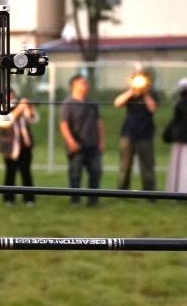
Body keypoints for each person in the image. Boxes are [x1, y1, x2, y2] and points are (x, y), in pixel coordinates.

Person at [59, 74, 103, 205]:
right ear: (74, 86)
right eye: (83, 83)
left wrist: (101, 141)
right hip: (77, 146)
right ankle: (75, 200)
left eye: (86, 83)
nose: (86, 85)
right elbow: (64, 125)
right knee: (75, 173)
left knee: (96, 172)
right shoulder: (68, 104)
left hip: (92, 145)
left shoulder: (92, 104)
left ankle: (93, 200)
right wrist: (71, 141)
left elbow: (99, 123)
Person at [113, 69, 158, 192]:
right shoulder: (130, 93)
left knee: (147, 165)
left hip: (145, 134)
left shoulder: (151, 93)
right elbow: (117, 103)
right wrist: (132, 91)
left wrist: (145, 93)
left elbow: (153, 108)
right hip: (128, 133)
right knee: (125, 165)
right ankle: (122, 191)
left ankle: (150, 192)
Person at [0, 91, 37, 204]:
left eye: (12, 96)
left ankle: (29, 199)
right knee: (10, 173)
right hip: (10, 148)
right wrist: (20, 108)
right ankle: (9, 198)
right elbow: (5, 121)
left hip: (25, 147)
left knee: (26, 173)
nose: (11, 98)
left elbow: (33, 119)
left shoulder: (20, 107)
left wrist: (29, 106)